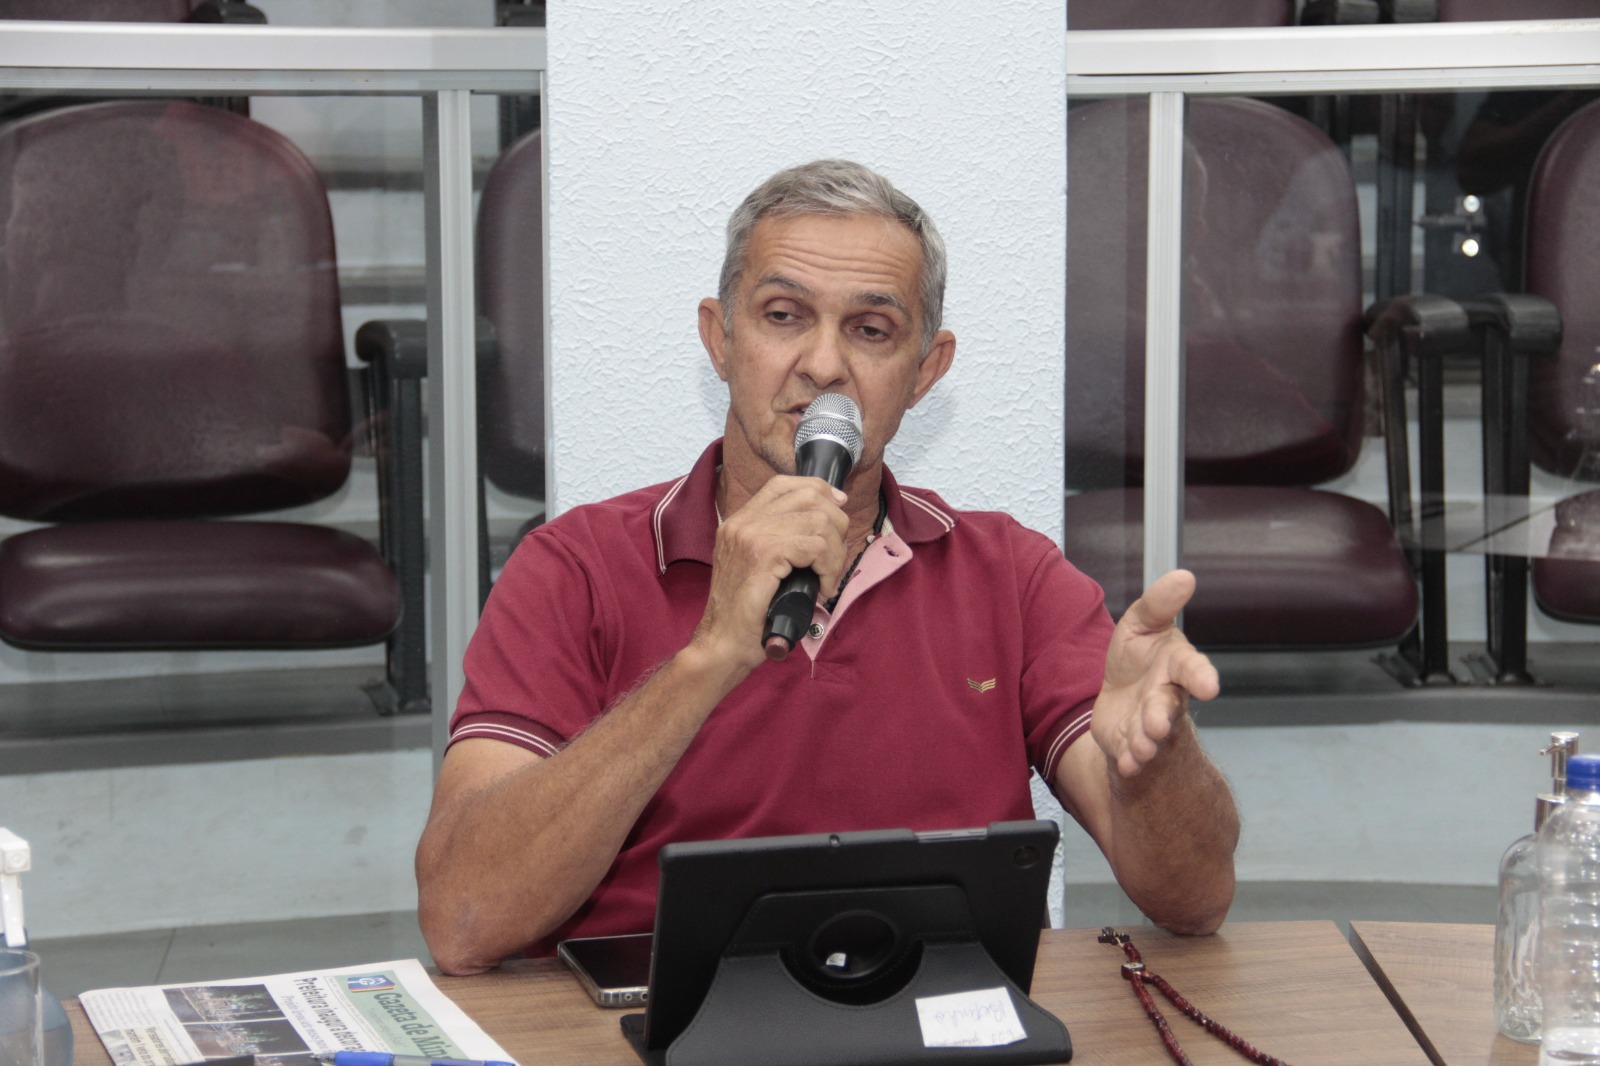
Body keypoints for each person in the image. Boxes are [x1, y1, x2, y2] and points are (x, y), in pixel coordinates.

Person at [415, 160, 1240, 976]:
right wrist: (708, 658)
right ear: (720, 338)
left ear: (925, 371)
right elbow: (462, 920)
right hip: (643, 1025)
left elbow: (1195, 902)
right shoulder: (574, 568)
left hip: (939, 1023)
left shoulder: (1012, 575)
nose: (822, 365)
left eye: (871, 330)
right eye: (783, 316)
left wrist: (1158, 761)